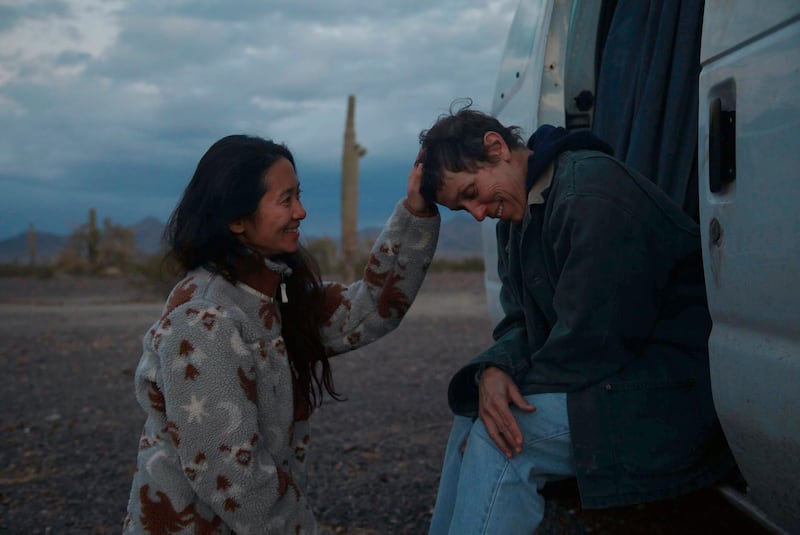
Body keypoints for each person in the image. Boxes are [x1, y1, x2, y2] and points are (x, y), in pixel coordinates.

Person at [419, 103, 737, 534]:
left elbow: (595, 339)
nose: (477, 213)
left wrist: (507, 387)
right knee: (476, 413)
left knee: (502, 440)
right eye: (464, 208)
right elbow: (520, 322)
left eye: (472, 192)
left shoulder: (590, 192)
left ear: (496, 147)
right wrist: (494, 371)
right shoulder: (519, 214)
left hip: (673, 390)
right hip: (614, 376)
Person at [123, 134, 439, 533]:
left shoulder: (273, 298)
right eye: (286, 200)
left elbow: (369, 310)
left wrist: (417, 210)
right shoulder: (202, 322)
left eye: (298, 196)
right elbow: (236, 482)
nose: (301, 212)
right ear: (237, 219)